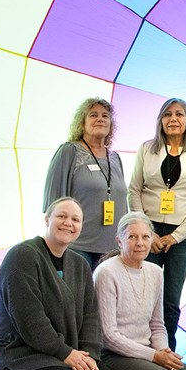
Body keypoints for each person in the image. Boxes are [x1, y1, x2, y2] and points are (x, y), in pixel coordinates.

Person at [0, 197, 120, 370]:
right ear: (47, 219)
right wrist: (65, 353)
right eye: (61, 216)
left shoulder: (80, 264)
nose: (68, 223)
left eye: (75, 219)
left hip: (66, 353)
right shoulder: (22, 256)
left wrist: (88, 356)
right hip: (22, 354)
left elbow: (90, 316)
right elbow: (29, 319)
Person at [94, 212, 186, 370]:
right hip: (114, 355)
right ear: (119, 241)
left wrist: (163, 351)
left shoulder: (155, 272)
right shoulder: (106, 272)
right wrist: (154, 357)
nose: (140, 243)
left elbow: (157, 324)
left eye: (145, 237)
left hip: (148, 351)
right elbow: (108, 336)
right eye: (132, 237)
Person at [129, 97, 186, 350]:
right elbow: (133, 190)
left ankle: (168, 353)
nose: (173, 119)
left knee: (171, 299)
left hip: (181, 235)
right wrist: (147, 232)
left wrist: (176, 236)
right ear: (160, 121)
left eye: (179, 114)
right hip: (147, 233)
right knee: (144, 297)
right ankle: (140, 351)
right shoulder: (147, 149)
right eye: (168, 114)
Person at [43, 97, 128, 270]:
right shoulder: (69, 151)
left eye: (105, 116)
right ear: (82, 123)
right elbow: (53, 202)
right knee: (78, 296)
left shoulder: (115, 158)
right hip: (78, 247)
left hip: (113, 250)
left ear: (111, 125)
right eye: (93, 115)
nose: (100, 119)